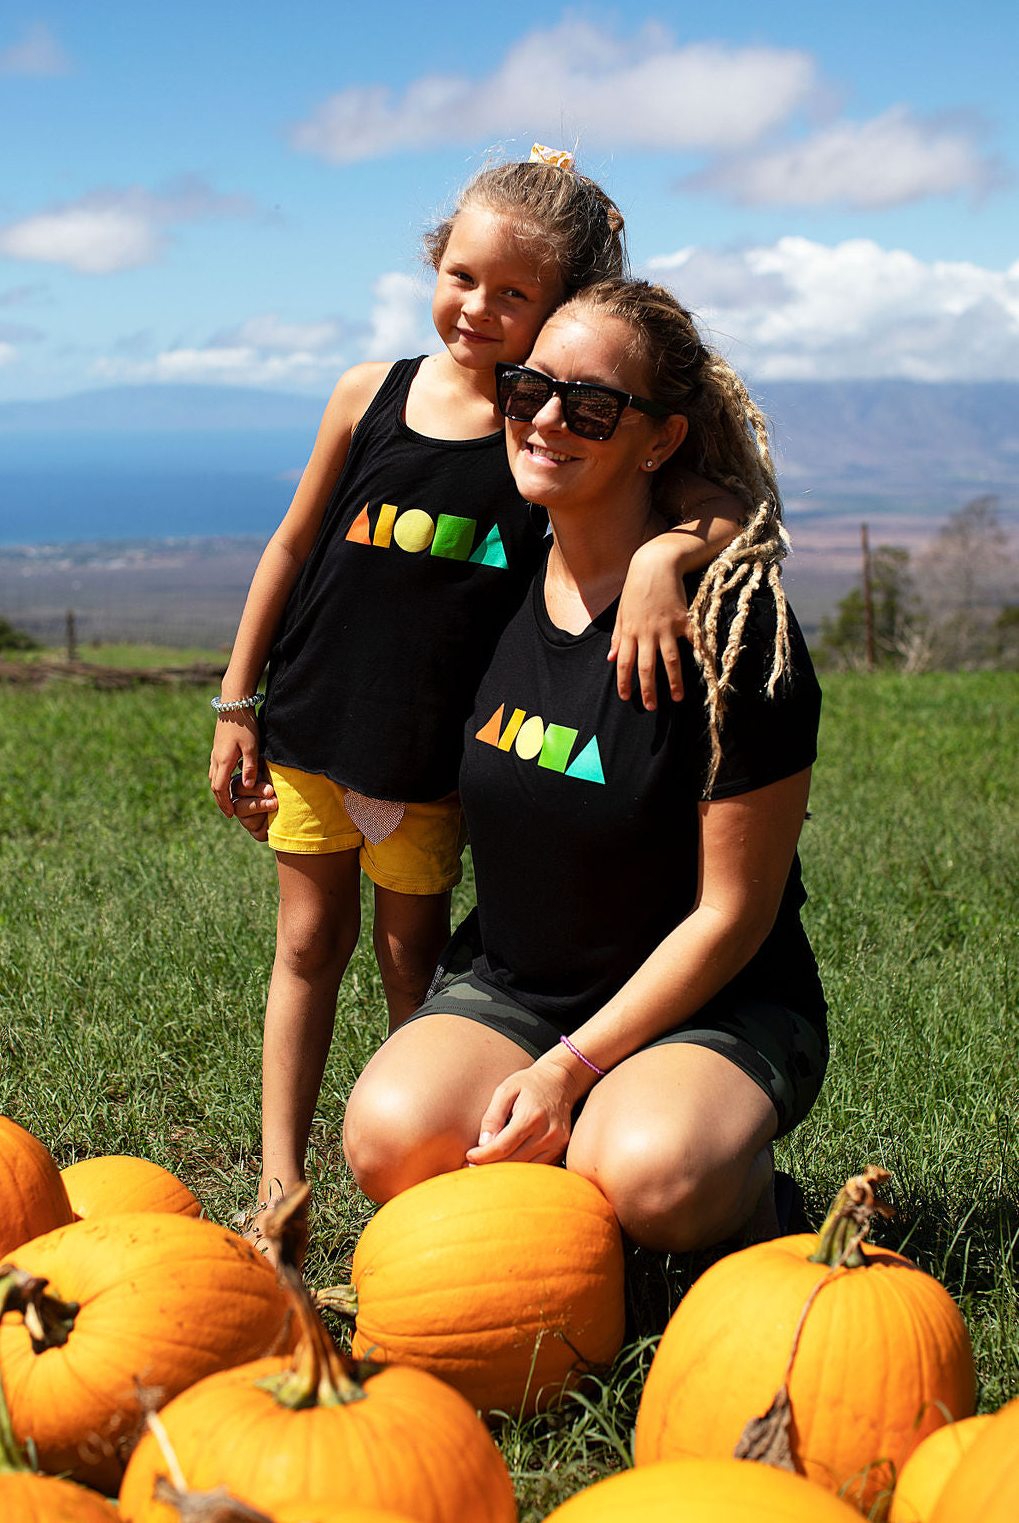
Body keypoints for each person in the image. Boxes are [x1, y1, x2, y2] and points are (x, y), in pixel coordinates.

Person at [207, 155, 743, 1251]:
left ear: (557, 312)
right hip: (315, 729)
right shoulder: (370, 395)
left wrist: (663, 562)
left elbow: (721, 506)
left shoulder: (545, 432)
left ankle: (452, 1175)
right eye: (463, 275)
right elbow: (292, 544)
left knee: (413, 960)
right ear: (431, 263)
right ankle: (277, 1184)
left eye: (515, 295)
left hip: (434, 765)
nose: (480, 310)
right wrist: (235, 700)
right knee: (306, 947)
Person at [342, 278, 829, 1253]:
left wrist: (569, 1069)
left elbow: (733, 916)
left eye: (592, 405)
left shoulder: (734, 632)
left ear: (658, 440)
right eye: (528, 391)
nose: (549, 419)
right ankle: (572, 1217)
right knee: (389, 1143)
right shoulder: (502, 568)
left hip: (715, 1004)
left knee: (646, 1178)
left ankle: (758, 1209)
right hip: (519, 986)